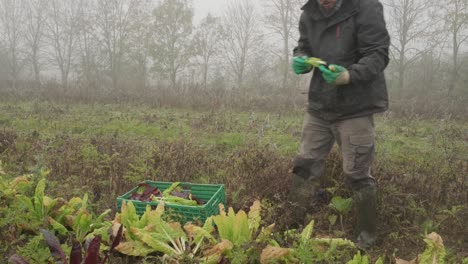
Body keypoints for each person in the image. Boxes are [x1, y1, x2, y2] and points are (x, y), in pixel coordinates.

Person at [289, 0, 390, 250]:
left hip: (356, 105)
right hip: (320, 105)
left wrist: (350, 75)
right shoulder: (310, 12)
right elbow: (304, 45)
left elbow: (378, 53)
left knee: (357, 173)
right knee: (304, 165)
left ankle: (367, 237)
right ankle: (291, 224)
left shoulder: (366, 7)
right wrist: (300, 57)